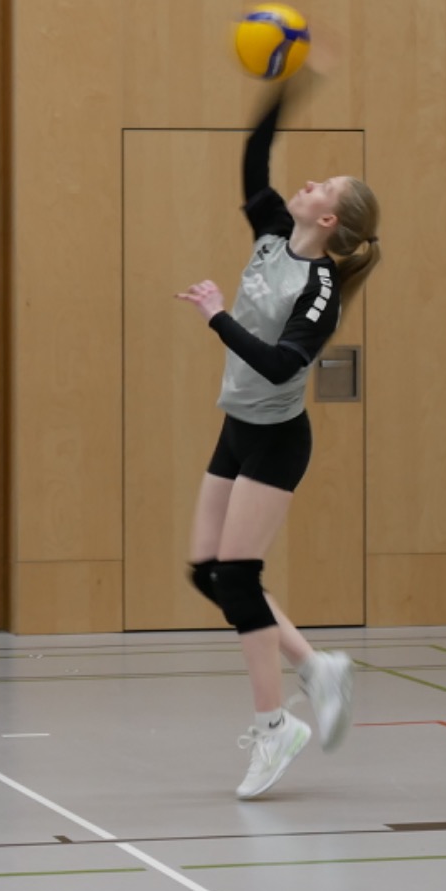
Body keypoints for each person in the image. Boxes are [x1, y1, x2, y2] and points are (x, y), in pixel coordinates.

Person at [175, 72, 381, 799]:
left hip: (276, 440)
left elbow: (282, 363)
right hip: (238, 426)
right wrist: (289, 84)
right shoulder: (271, 234)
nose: (312, 181)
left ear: (329, 219)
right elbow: (253, 159)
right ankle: (315, 667)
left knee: (238, 577)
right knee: (210, 572)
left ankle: (275, 728)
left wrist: (216, 316)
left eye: (326, 187)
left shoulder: (319, 291)